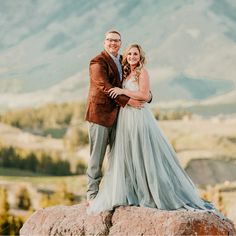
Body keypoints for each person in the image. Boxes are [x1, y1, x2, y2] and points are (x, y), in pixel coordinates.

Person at [87, 44, 225, 220]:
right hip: (125, 118)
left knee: (143, 152)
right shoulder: (124, 70)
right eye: (129, 53)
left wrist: (123, 91)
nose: (131, 56)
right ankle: (131, 191)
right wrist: (128, 98)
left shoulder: (142, 72)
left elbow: (145, 95)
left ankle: (151, 192)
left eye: (135, 54)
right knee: (128, 154)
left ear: (140, 56)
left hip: (138, 117)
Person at [85, 31, 150, 204]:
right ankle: (92, 195)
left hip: (120, 118)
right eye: (109, 40)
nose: (113, 43)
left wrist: (147, 96)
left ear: (120, 43)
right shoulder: (97, 61)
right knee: (96, 158)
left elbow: (136, 83)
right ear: (104, 42)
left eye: (116, 40)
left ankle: (115, 193)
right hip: (100, 116)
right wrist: (128, 100)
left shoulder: (123, 60)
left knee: (118, 157)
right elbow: (104, 86)